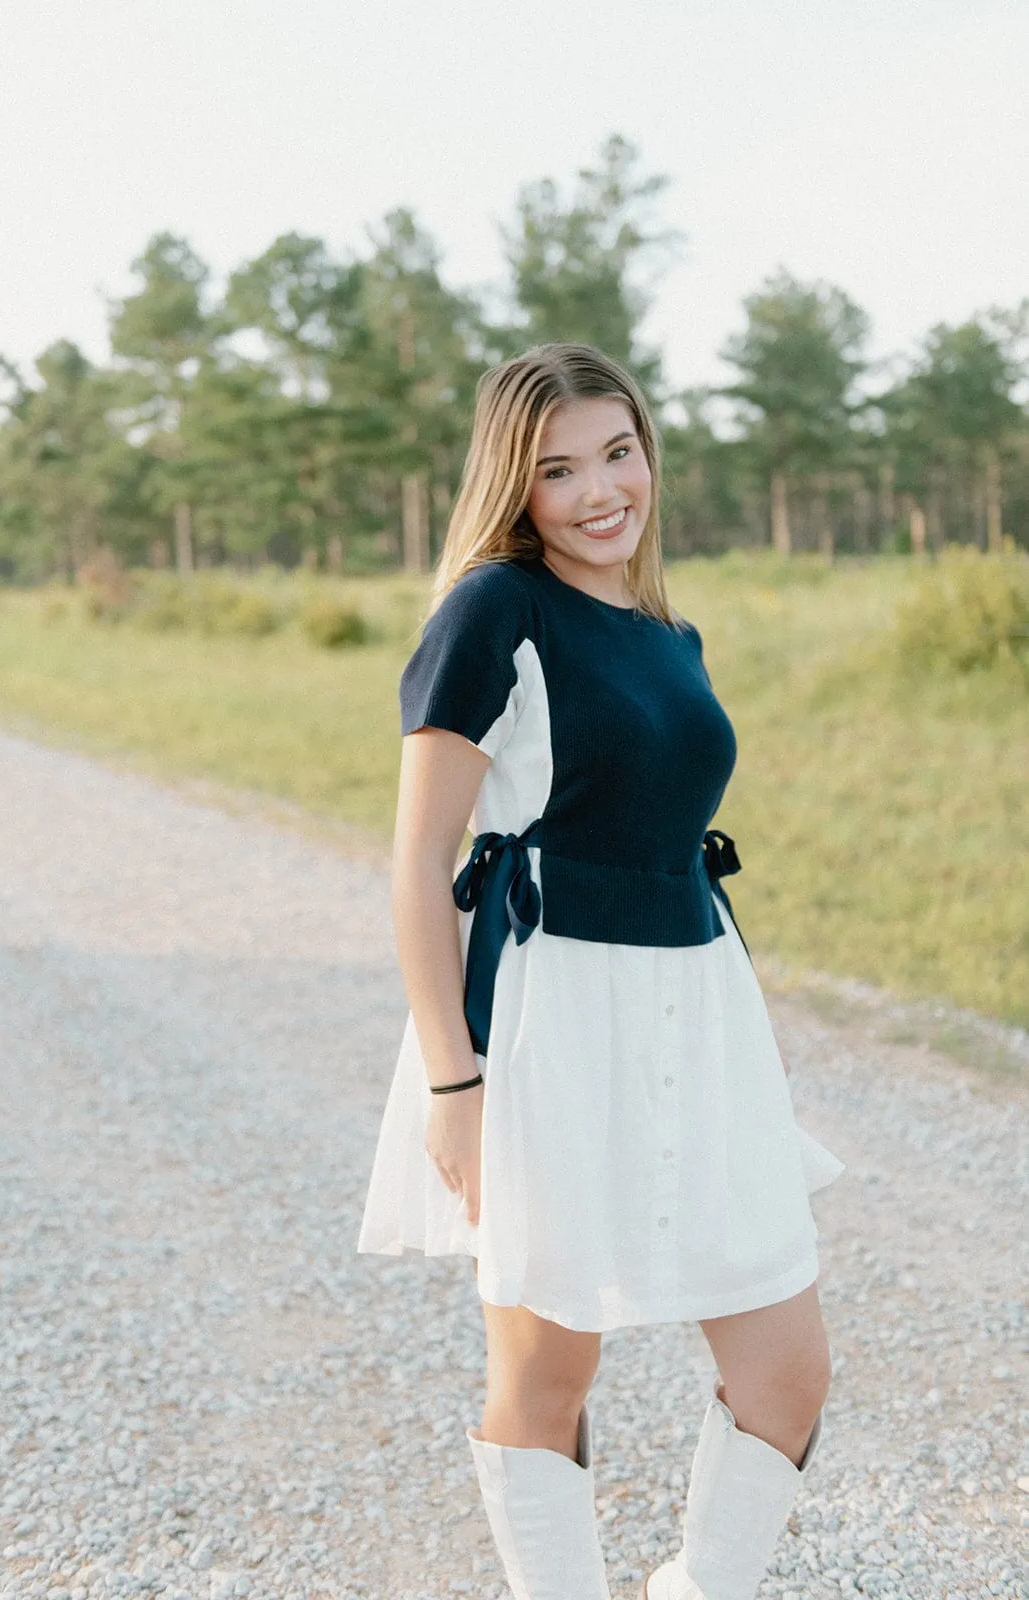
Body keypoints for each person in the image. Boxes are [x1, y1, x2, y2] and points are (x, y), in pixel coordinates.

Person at [356, 341, 846, 1600]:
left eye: (617, 453)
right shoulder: (493, 611)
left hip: (696, 1004)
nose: (598, 492)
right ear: (515, 488)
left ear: (648, 454)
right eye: (558, 469)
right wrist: (454, 1090)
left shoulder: (672, 631)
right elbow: (419, 862)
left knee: (787, 1367)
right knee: (546, 1373)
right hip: (549, 1019)